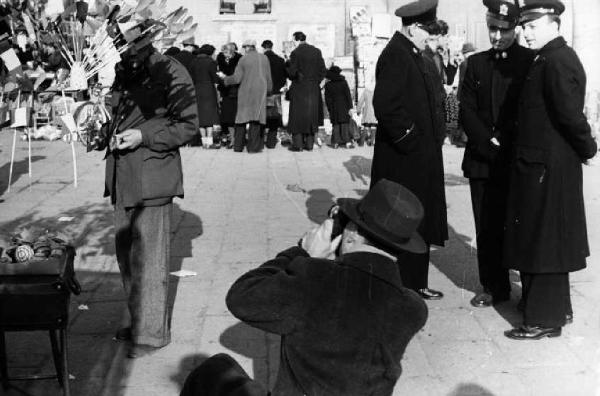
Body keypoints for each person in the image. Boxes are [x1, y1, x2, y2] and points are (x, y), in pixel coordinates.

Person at [180, 179, 428, 396]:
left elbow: (240, 297)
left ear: (351, 235)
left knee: (214, 370)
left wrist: (302, 253)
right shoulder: (413, 309)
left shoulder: (313, 280)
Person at [95, 19, 198, 358]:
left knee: (150, 262)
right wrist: (96, 124)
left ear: (143, 40)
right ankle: (141, 322)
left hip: (152, 179)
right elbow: (117, 116)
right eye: (118, 42)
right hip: (122, 178)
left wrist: (143, 135)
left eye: (125, 41)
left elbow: (188, 125)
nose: (121, 47)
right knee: (128, 258)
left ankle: (152, 335)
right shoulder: (125, 71)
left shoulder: (170, 70)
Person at [503, 0, 597, 340]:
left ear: (553, 24)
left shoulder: (557, 61)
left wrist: (588, 148)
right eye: (523, 26)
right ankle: (552, 308)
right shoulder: (546, 58)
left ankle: (544, 319)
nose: (524, 33)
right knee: (541, 239)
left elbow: (570, 116)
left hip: (548, 168)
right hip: (540, 165)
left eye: (531, 26)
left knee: (545, 242)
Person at [371, 0, 448, 300]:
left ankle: (416, 282)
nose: (430, 38)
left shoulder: (412, 53)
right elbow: (386, 106)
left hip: (420, 156)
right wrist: (412, 141)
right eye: (427, 31)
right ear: (414, 27)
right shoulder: (395, 55)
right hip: (404, 158)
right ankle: (404, 285)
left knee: (419, 219)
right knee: (405, 219)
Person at [460, 0, 534, 308]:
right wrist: (487, 140)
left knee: (523, 225)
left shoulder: (531, 61)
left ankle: (530, 290)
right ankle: (493, 285)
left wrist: (507, 140)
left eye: (503, 30)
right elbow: (466, 108)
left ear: (515, 28)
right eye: (492, 29)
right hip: (482, 159)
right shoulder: (476, 63)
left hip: (517, 158)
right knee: (487, 224)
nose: (496, 36)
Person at [219, 39, 272, 153]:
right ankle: (253, 148)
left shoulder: (243, 59)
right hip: (260, 91)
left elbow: (237, 78)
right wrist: (269, 90)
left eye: (243, 47)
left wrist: (225, 80)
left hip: (246, 91)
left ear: (247, 47)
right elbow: (268, 76)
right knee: (256, 119)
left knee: (241, 119)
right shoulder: (264, 58)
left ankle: (238, 146)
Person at [286, 31, 327, 151]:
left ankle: (298, 145)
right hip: (313, 88)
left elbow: (292, 73)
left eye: (293, 40)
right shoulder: (316, 51)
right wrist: (316, 82)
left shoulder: (295, 53)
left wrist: (287, 63)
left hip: (299, 88)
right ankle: (309, 145)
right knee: (311, 116)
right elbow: (323, 70)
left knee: (297, 116)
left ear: (296, 40)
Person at [261, 39, 287, 149]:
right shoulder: (280, 60)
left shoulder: (261, 60)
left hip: (263, 92)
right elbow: (284, 76)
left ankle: (260, 141)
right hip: (276, 92)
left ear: (263, 47)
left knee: (261, 117)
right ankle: (271, 142)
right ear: (272, 47)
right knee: (274, 117)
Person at [216, 43, 242, 148]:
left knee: (237, 117)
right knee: (228, 118)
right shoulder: (220, 58)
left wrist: (225, 77)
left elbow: (238, 76)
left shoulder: (239, 59)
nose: (225, 54)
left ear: (232, 52)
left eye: (227, 52)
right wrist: (220, 77)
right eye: (223, 52)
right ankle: (232, 139)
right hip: (226, 92)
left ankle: (238, 139)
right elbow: (218, 71)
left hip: (237, 91)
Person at [195, 44, 221, 148]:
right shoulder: (211, 62)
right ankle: (209, 142)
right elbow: (215, 78)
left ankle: (203, 142)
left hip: (196, 89)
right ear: (210, 52)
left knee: (200, 115)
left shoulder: (193, 62)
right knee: (209, 115)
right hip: (208, 89)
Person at [324, 65, 354, 149]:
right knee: (344, 124)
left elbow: (327, 99)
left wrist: (330, 108)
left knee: (336, 125)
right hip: (344, 106)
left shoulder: (328, 85)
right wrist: (350, 107)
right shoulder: (344, 82)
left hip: (334, 107)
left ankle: (335, 143)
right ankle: (347, 143)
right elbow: (348, 95)